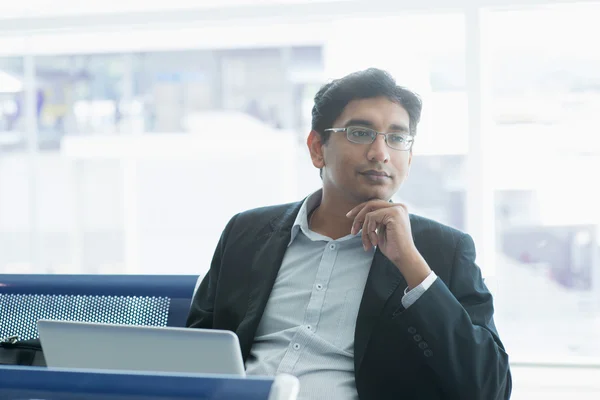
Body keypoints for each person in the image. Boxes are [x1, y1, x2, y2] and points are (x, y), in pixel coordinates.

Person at [187, 68, 511, 400]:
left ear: (409, 159)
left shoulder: (444, 250)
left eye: (397, 138)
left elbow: (490, 388)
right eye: (360, 132)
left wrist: (413, 268)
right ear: (317, 148)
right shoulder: (247, 233)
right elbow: (190, 355)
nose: (380, 153)